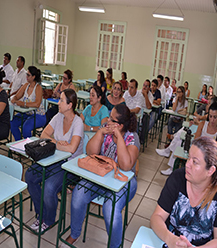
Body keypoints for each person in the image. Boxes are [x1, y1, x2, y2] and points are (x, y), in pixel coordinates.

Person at [63, 104, 140, 248]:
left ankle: (114, 246)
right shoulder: (105, 127)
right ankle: (74, 234)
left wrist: (119, 139)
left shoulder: (132, 136)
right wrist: (100, 133)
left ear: (121, 125)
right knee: (78, 193)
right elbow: (90, 152)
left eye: (112, 119)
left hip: (124, 181)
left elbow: (126, 166)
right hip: (101, 174)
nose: (108, 121)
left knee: (110, 207)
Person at [151, 136, 217, 247]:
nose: (187, 164)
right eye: (189, 158)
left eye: (195, 162)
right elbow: (157, 217)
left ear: (210, 171)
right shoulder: (177, 178)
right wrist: (169, 238)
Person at [25, 89, 84, 232]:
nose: (58, 102)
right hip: (54, 158)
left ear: (70, 105)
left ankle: (49, 219)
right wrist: (57, 142)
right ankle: (41, 214)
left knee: (49, 186)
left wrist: (55, 143)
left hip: (71, 165)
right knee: (30, 175)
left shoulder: (78, 123)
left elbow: (71, 149)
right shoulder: (58, 116)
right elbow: (43, 134)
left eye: (62, 100)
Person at [158, 100, 217, 176]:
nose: (212, 120)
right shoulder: (203, 125)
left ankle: (169, 155)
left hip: (208, 158)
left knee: (180, 140)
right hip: (199, 151)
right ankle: (171, 166)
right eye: (210, 116)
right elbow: (196, 142)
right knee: (180, 141)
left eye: (215, 117)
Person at [10, 66, 46, 141]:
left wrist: (23, 104)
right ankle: (19, 143)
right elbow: (17, 96)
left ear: (33, 77)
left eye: (28, 75)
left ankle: (29, 147)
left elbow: (37, 104)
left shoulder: (38, 88)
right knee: (12, 123)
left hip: (39, 115)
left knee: (26, 128)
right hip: (27, 113)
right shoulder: (26, 85)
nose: (26, 76)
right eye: (26, 74)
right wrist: (14, 99)